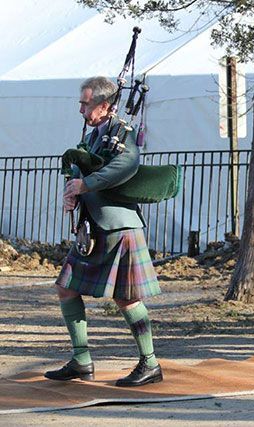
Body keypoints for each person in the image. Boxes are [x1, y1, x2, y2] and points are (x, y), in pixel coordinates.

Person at [44, 76, 163, 386]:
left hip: (117, 226)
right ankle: (81, 360)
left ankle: (150, 363)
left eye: (86, 103)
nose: (81, 109)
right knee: (66, 286)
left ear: (104, 106)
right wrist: (72, 189)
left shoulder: (123, 133)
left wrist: (87, 184)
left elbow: (127, 165)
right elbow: (81, 163)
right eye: (81, 103)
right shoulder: (96, 135)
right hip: (94, 227)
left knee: (126, 298)